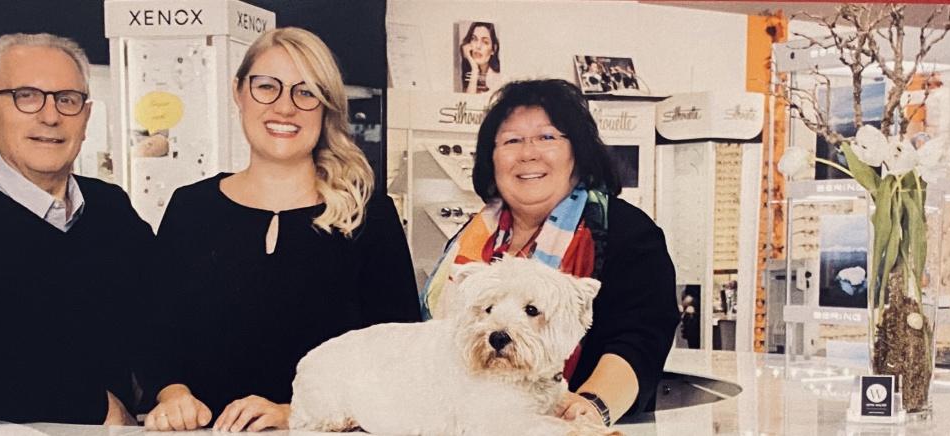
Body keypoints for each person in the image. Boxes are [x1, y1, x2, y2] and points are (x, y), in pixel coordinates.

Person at [143, 27, 420, 433]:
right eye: (266, 87)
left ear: (326, 107)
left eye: (306, 92)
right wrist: (173, 395)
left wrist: (297, 414)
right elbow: (156, 335)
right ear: (238, 92)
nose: (285, 107)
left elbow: (400, 361)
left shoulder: (368, 216)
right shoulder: (191, 208)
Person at [0, 33, 153, 425]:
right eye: (27, 96)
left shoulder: (112, 210)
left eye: (67, 99)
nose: (50, 116)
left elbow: (160, 324)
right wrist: (98, 408)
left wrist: (171, 392)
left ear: (85, 117)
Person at [420, 79, 678, 427]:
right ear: (491, 158)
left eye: (546, 137)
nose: (528, 153)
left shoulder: (627, 232)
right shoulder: (471, 239)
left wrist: (588, 408)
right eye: (512, 140)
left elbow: (640, 340)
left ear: (578, 152)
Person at [458, 22, 501, 94]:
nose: (478, 46)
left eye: (485, 42)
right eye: (474, 39)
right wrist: (474, 69)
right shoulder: (464, 73)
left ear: (493, 49)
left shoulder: (498, 79)